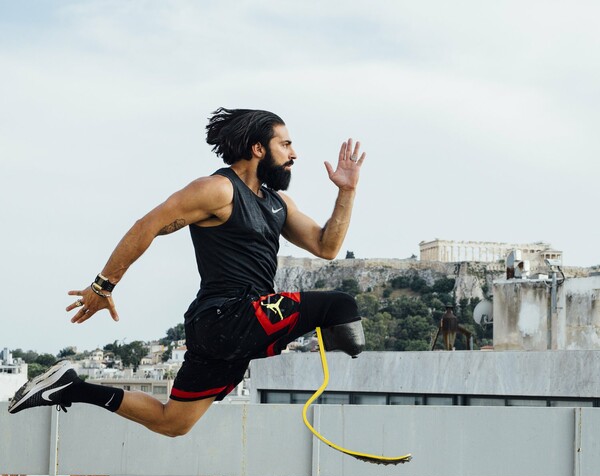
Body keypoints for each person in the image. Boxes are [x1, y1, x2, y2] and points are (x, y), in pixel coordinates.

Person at [9, 108, 367, 437]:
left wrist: (347, 191)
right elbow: (147, 225)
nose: (294, 153)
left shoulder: (278, 203)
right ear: (258, 148)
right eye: (285, 144)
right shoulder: (218, 189)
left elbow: (327, 247)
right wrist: (103, 286)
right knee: (340, 306)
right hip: (226, 315)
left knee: (174, 422)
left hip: (237, 331)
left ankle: (70, 386)